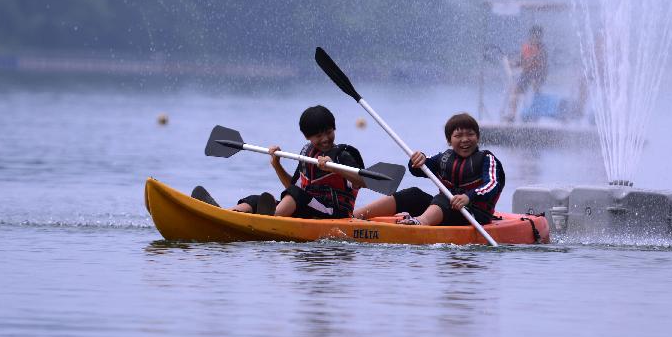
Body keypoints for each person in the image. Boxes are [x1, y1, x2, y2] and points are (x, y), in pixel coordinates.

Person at [353, 113, 505, 226]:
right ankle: (355, 216)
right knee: (413, 194)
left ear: (477, 137)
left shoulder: (487, 159)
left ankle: (420, 223)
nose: (465, 139)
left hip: (473, 214)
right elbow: (418, 169)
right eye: (458, 135)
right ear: (449, 140)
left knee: (446, 197)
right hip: (448, 209)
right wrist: (417, 159)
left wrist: (468, 197)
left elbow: (492, 185)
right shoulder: (443, 158)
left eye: (470, 134)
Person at [217, 105, 366, 218]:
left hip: (335, 213)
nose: (325, 139)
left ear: (334, 129)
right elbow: (291, 187)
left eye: (329, 132)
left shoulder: (343, 155)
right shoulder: (307, 153)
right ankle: (223, 215)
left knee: (296, 194)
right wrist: (277, 165)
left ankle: (270, 220)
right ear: (307, 137)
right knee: (255, 199)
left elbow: (363, 182)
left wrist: (336, 169)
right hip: (308, 207)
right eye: (319, 136)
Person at [506, 24, 548, 122]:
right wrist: (513, 63)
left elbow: (543, 64)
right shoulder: (526, 47)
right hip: (526, 74)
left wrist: (534, 63)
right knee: (515, 91)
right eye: (534, 36)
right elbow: (521, 61)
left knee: (536, 89)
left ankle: (534, 114)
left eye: (538, 36)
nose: (536, 38)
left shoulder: (542, 49)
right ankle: (512, 114)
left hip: (538, 74)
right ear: (531, 36)